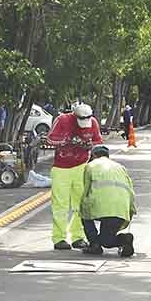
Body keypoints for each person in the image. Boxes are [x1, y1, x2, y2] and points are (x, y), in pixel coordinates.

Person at [46, 102, 103, 250]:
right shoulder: (63, 120)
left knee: (81, 205)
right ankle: (59, 238)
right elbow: (50, 139)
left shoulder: (93, 123)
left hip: (82, 166)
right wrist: (66, 141)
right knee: (60, 205)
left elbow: (98, 142)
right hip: (61, 168)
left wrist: (88, 145)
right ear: (75, 116)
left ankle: (78, 236)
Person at [80, 145, 136, 257]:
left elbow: (86, 191)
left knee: (84, 214)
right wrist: (130, 210)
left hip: (101, 206)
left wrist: (81, 208)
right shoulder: (120, 167)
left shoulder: (90, 166)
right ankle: (124, 239)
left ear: (94, 155)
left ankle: (94, 245)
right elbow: (130, 190)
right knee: (107, 241)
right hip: (121, 208)